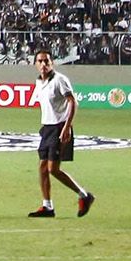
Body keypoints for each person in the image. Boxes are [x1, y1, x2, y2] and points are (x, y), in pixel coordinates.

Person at [28, 49, 93, 217]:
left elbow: (73, 102)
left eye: (46, 61)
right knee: (43, 168)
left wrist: (67, 126)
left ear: (52, 63)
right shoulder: (39, 82)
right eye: (40, 61)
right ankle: (47, 206)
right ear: (35, 64)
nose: (43, 64)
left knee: (53, 169)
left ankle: (84, 196)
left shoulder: (60, 80)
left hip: (60, 127)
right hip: (47, 128)